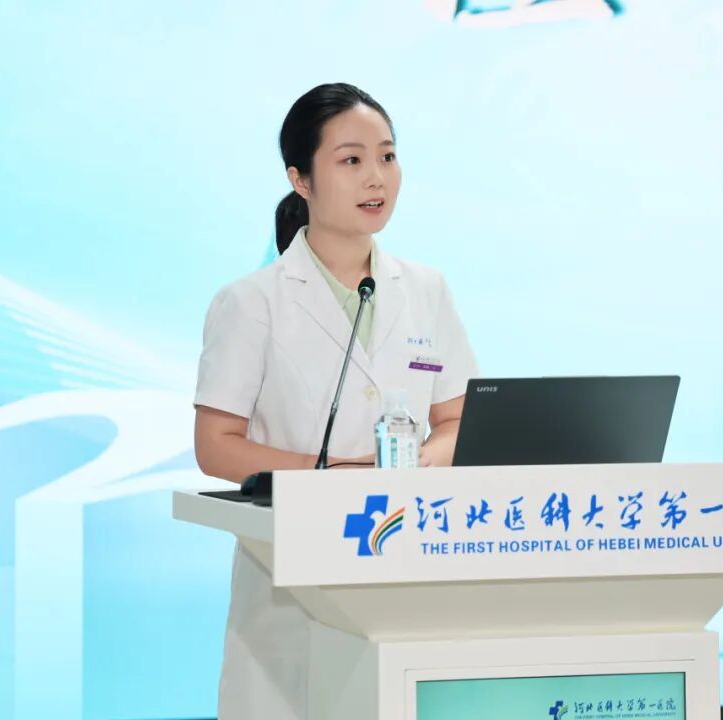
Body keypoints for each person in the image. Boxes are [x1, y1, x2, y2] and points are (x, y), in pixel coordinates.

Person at [192, 82, 479, 719]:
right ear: (301, 179)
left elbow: (458, 418)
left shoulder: (427, 289)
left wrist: (422, 464)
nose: (376, 177)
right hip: (291, 588)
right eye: (351, 160)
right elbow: (215, 446)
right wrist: (332, 478)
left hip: (408, 566)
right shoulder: (252, 302)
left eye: (388, 156)